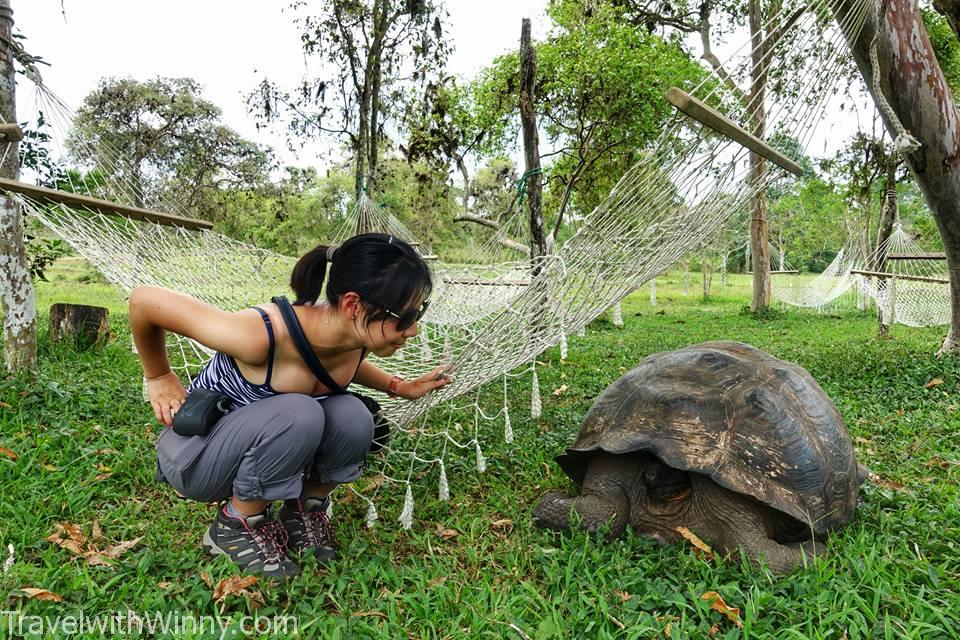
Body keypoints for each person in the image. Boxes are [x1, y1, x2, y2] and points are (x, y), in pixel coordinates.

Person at [129, 233, 450, 579]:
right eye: (403, 317)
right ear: (353, 305)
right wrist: (159, 375)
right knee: (301, 412)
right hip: (197, 457)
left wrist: (398, 387)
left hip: (255, 452)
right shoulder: (260, 334)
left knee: (355, 415)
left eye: (418, 312)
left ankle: (304, 512)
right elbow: (144, 301)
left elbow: (335, 365)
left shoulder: (356, 334)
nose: (413, 330)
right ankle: (235, 525)